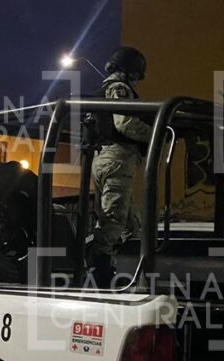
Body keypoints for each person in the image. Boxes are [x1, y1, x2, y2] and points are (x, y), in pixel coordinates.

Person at [87, 46, 152, 288]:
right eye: (136, 75)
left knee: (129, 222)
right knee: (113, 219)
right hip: (118, 158)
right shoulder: (119, 88)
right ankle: (99, 273)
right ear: (128, 71)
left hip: (104, 157)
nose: (136, 81)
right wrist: (156, 133)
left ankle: (123, 271)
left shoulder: (103, 90)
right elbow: (125, 123)